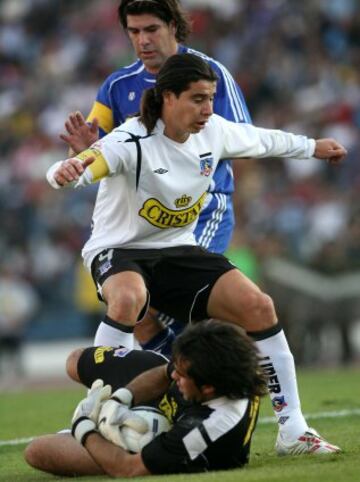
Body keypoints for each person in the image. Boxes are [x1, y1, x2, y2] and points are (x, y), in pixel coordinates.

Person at [46, 53, 346, 455]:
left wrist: (314, 147)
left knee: (258, 306)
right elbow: (88, 163)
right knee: (130, 298)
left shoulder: (215, 131)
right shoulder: (131, 138)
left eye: (210, 98)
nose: (207, 109)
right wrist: (65, 172)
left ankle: (293, 429)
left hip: (176, 250)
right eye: (197, 99)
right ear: (168, 97)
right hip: (119, 249)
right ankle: (94, 414)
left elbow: (263, 139)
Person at [61, 0, 252, 356]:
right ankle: (169, 384)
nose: (142, 40)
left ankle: (202, 385)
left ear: (173, 28)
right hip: (143, 222)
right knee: (138, 308)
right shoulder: (118, 85)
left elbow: (244, 142)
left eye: (151, 30)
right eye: (134, 32)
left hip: (200, 213)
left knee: (182, 305)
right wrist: (84, 151)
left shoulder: (210, 73)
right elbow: (90, 153)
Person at [25, 320, 268, 476]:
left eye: (182, 376)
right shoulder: (219, 362)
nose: (175, 375)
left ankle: (107, 435)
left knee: (37, 451)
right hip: (182, 404)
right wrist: (121, 399)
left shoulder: (203, 429)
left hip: (157, 439)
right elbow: (168, 372)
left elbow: (127, 468)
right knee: (75, 361)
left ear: (207, 388)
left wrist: (84, 426)